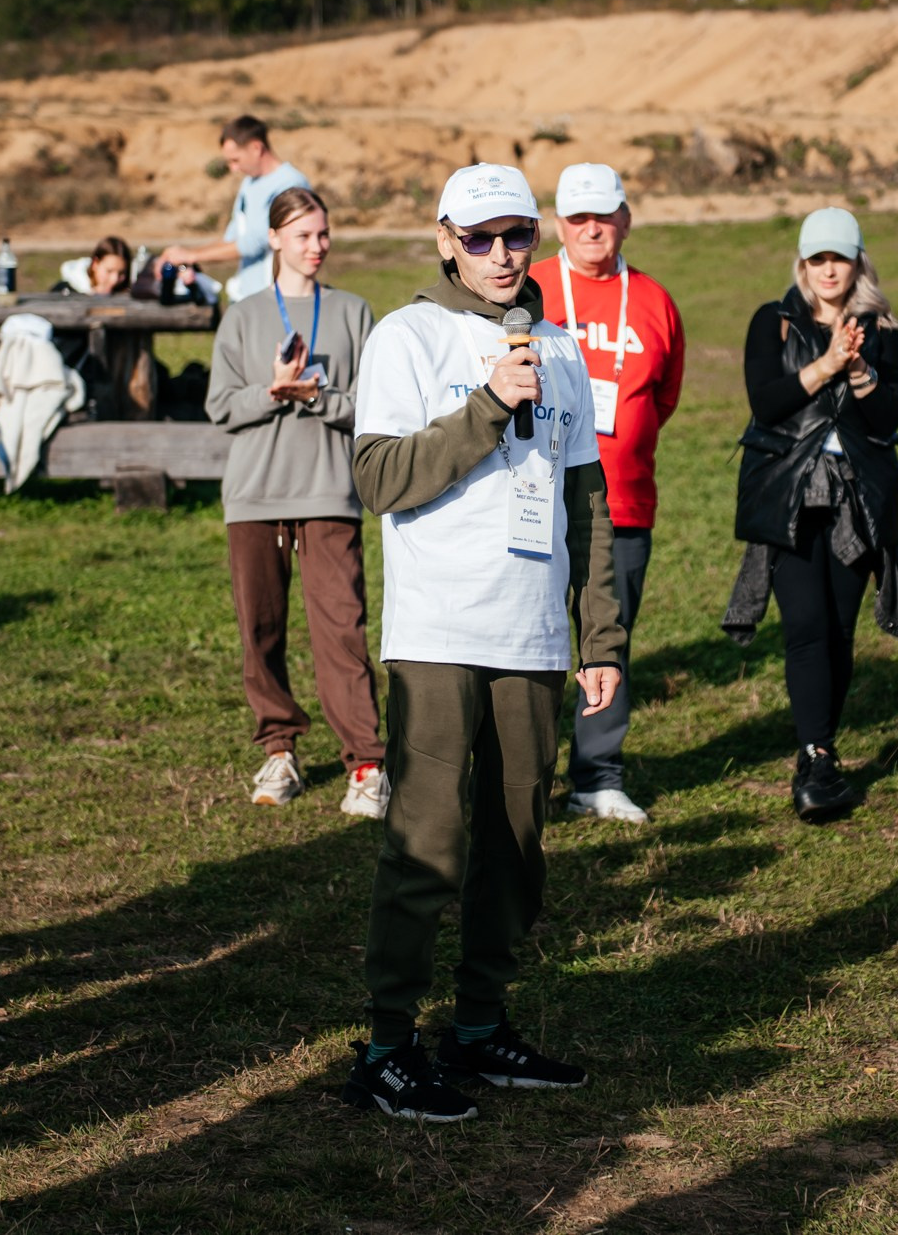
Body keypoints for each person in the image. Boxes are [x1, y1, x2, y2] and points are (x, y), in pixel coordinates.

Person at [343, 163, 626, 1121]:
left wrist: (602, 635)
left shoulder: (562, 343)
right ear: (444, 239)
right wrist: (487, 404)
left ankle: (479, 1026)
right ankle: (386, 1045)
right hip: (438, 630)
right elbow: (380, 476)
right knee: (429, 841)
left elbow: (587, 504)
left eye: (518, 236)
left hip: (536, 634)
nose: (502, 256)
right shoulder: (406, 336)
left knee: (517, 843)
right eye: (480, 238)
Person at [204, 187, 386, 817]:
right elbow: (221, 406)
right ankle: (278, 749)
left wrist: (315, 397)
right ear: (275, 238)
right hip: (253, 498)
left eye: (324, 234)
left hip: (330, 493)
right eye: (305, 235)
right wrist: (273, 391)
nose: (317, 246)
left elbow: (372, 406)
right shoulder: (243, 315)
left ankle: (366, 762)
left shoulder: (355, 312)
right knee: (261, 632)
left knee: (343, 630)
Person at [726, 208, 898, 823]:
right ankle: (815, 756)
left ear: (858, 262)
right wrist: (827, 364)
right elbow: (766, 403)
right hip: (792, 491)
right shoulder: (773, 323)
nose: (829, 270)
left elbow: (888, 421)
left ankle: (821, 747)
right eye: (817, 259)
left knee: (837, 629)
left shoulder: (883, 329)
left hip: (857, 494)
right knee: (804, 624)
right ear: (803, 265)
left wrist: (859, 373)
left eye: (840, 258)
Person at [527, 163, 685, 824]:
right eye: (578, 218)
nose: (593, 229)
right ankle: (523, 779)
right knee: (527, 640)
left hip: (622, 502)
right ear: (558, 224)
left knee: (606, 641)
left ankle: (598, 775)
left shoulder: (654, 300)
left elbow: (666, 394)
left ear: (626, 217)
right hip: (532, 500)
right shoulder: (531, 287)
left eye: (604, 215)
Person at [159, 115, 310, 302]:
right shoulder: (249, 183)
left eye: (235, 160)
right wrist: (183, 254)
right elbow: (233, 238)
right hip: (245, 297)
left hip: (277, 300)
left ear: (256, 148)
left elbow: (256, 242)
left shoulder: (290, 184)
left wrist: (192, 255)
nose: (233, 168)